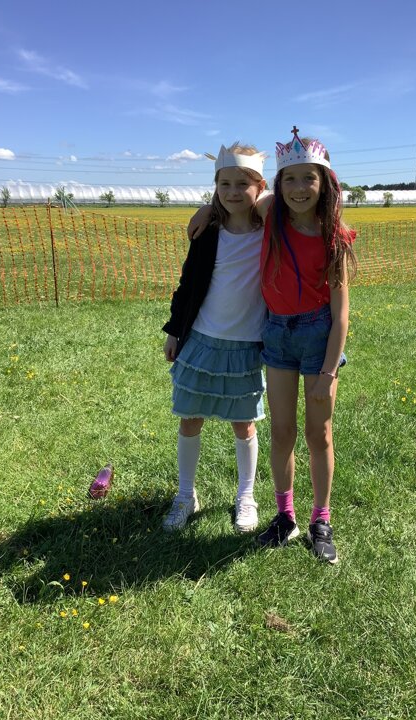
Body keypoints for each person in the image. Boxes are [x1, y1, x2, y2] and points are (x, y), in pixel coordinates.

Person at [189, 127, 356, 563]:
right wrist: (207, 208)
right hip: (277, 335)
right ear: (278, 185)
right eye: (290, 179)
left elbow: (341, 313)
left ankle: (321, 520)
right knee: (282, 432)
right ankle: (285, 517)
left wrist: (328, 372)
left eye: (309, 178)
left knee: (319, 433)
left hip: (319, 339)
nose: (299, 188)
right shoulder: (271, 215)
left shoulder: (334, 236)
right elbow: (237, 197)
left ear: (325, 183)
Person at [162, 143, 267, 533]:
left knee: (244, 425)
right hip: (202, 341)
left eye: (243, 184)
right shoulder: (208, 232)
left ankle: (246, 497)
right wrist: (175, 330)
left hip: (247, 346)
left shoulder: (269, 231)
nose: (233, 192)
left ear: (260, 187)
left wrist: (212, 205)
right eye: (225, 184)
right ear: (215, 185)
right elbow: (188, 283)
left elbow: (282, 203)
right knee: (190, 420)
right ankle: (185, 495)